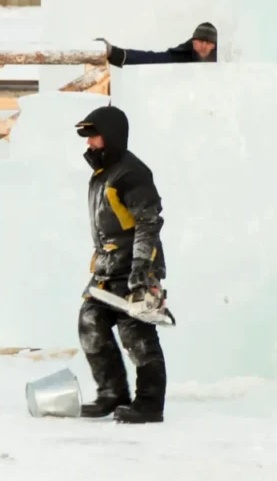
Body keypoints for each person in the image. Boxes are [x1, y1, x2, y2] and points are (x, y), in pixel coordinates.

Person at [74, 105, 169, 424]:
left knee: (137, 335)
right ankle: (112, 393)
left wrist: (142, 270)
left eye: (94, 136)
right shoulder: (102, 174)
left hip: (134, 269)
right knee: (90, 322)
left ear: (111, 137)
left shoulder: (132, 173)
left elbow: (148, 223)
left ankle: (149, 403)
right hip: (107, 269)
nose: (89, 143)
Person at [98, 22, 218, 68]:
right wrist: (115, 53)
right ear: (193, 41)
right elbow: (150, 58)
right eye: (200, 41)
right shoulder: (181, 57)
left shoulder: (224, 61)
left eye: (208, 43)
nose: (203, 45)